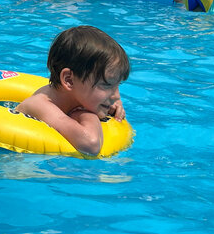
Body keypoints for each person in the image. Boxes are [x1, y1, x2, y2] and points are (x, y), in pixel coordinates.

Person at [15, 25, 129, 156]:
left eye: (117, 85)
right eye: (107, 85)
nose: (117, 96)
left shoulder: (73, 96)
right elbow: (90, 144)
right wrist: (85, 113)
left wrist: (104, 104)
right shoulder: (40, 105)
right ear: (69, 80)